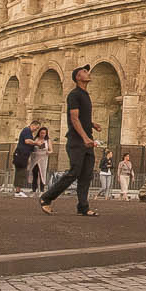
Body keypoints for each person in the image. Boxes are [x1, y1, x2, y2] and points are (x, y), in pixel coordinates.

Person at [40, 65, 101, 216]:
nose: (88, 73)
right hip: (77, 141)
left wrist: (92, 124)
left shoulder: (85, 94)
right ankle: (46, 198)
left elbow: (80, 117)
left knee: (86, 175)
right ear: (78, 77)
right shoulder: (74, 95)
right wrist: (85, 137)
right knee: (74, 172)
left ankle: (83, 207)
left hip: (87, 140)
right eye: (84, 71)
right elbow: (73, 118)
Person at [26, 127, 50, 195]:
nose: (42, 134)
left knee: (42, 174)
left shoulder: (47, 140)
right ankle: (34, 190)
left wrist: (49, 152)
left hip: (43, 159)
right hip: (35, 158)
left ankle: (42, 190)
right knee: (35, 173)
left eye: (44, 133)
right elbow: (31, 148)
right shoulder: (35, 139)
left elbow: (51, 150)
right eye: (41, 133)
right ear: (39, 133)